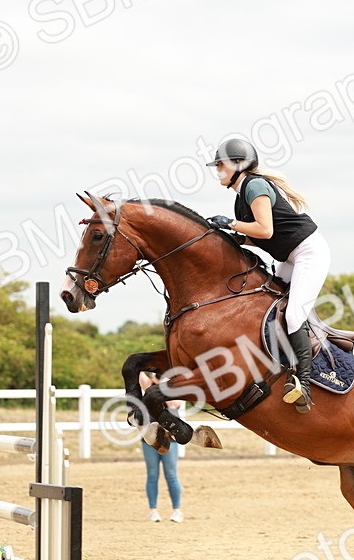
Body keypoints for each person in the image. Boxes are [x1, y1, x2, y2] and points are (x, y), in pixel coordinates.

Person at [206, 138, 330, 414]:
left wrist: (231, 224)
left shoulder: (255, 186)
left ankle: (304, 385)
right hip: (289, 256)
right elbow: (256, 239)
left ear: (238, 165)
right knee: (268, 306)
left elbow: (265, 231)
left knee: (293, 315)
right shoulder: (241, 196)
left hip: (309, 253)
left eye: (220, 164)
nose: (217, 170)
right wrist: (233, 238)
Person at [139, 371, 183, 522]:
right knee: (152, 475)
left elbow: (173, 404)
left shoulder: (174, 391)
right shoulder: (149, 389)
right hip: (150, 438)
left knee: (171, 474)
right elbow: (137, 374)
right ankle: (153, 510)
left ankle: (176, 510)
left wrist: (160, 383)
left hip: (170, 439)